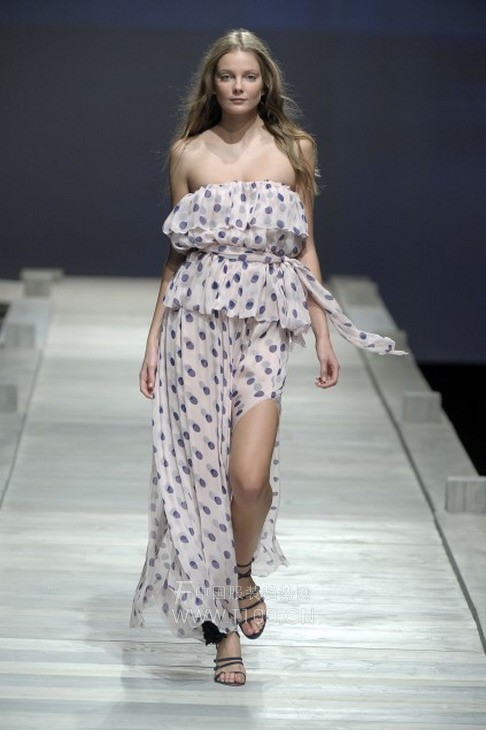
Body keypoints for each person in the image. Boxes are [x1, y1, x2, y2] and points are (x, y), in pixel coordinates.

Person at [130, 28, 405, 687]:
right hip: (194, 325)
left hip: (266, 323)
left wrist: (324, 332)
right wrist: (152, 340)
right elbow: (177, 254)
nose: (237, 85)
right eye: (226, 75)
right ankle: (226, 634)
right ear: (212, 82)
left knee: (249, 479)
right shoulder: (187, 153)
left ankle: (242, 571)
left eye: (248, 76)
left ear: (265, 83)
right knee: (204, 478)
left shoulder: (296, 149)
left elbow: (304, 246)